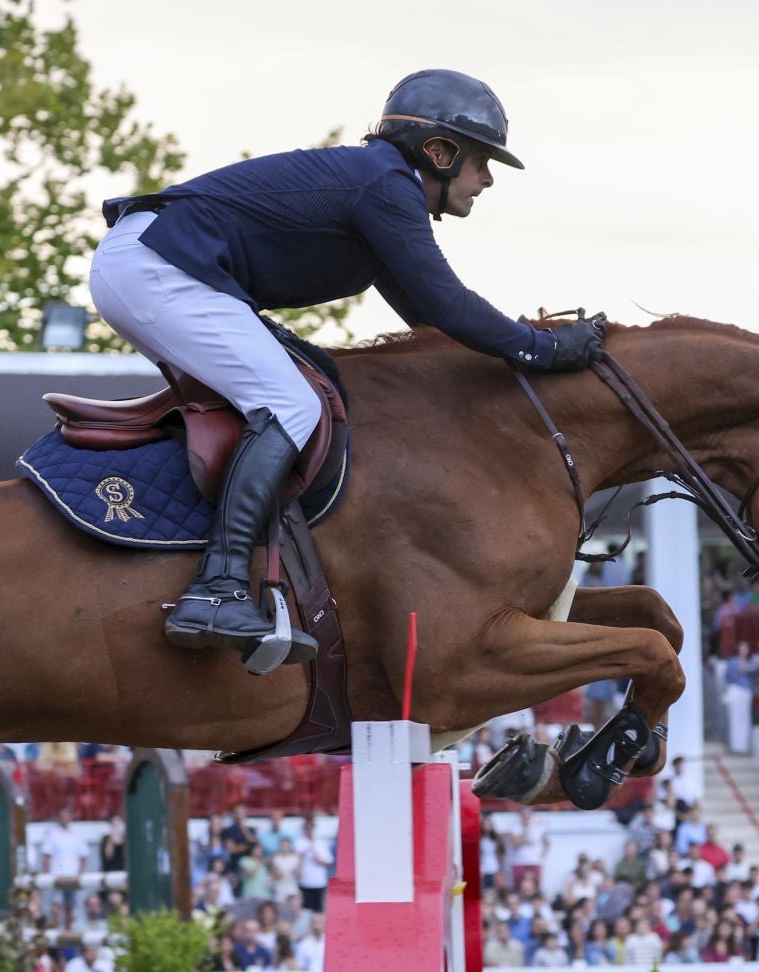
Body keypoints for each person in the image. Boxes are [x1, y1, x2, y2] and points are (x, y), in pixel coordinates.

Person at [93, 69, 605, 664]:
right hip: (158, 266)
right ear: (440, 152)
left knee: (298, 390)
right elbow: (450, 305)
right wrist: (545, 348)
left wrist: (529, 354)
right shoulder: (387, 186)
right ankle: (217, 588)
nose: (487, 179)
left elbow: (432, 322)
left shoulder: (379, 190)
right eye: (482, 160)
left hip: (156, 264)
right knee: (291, 404)